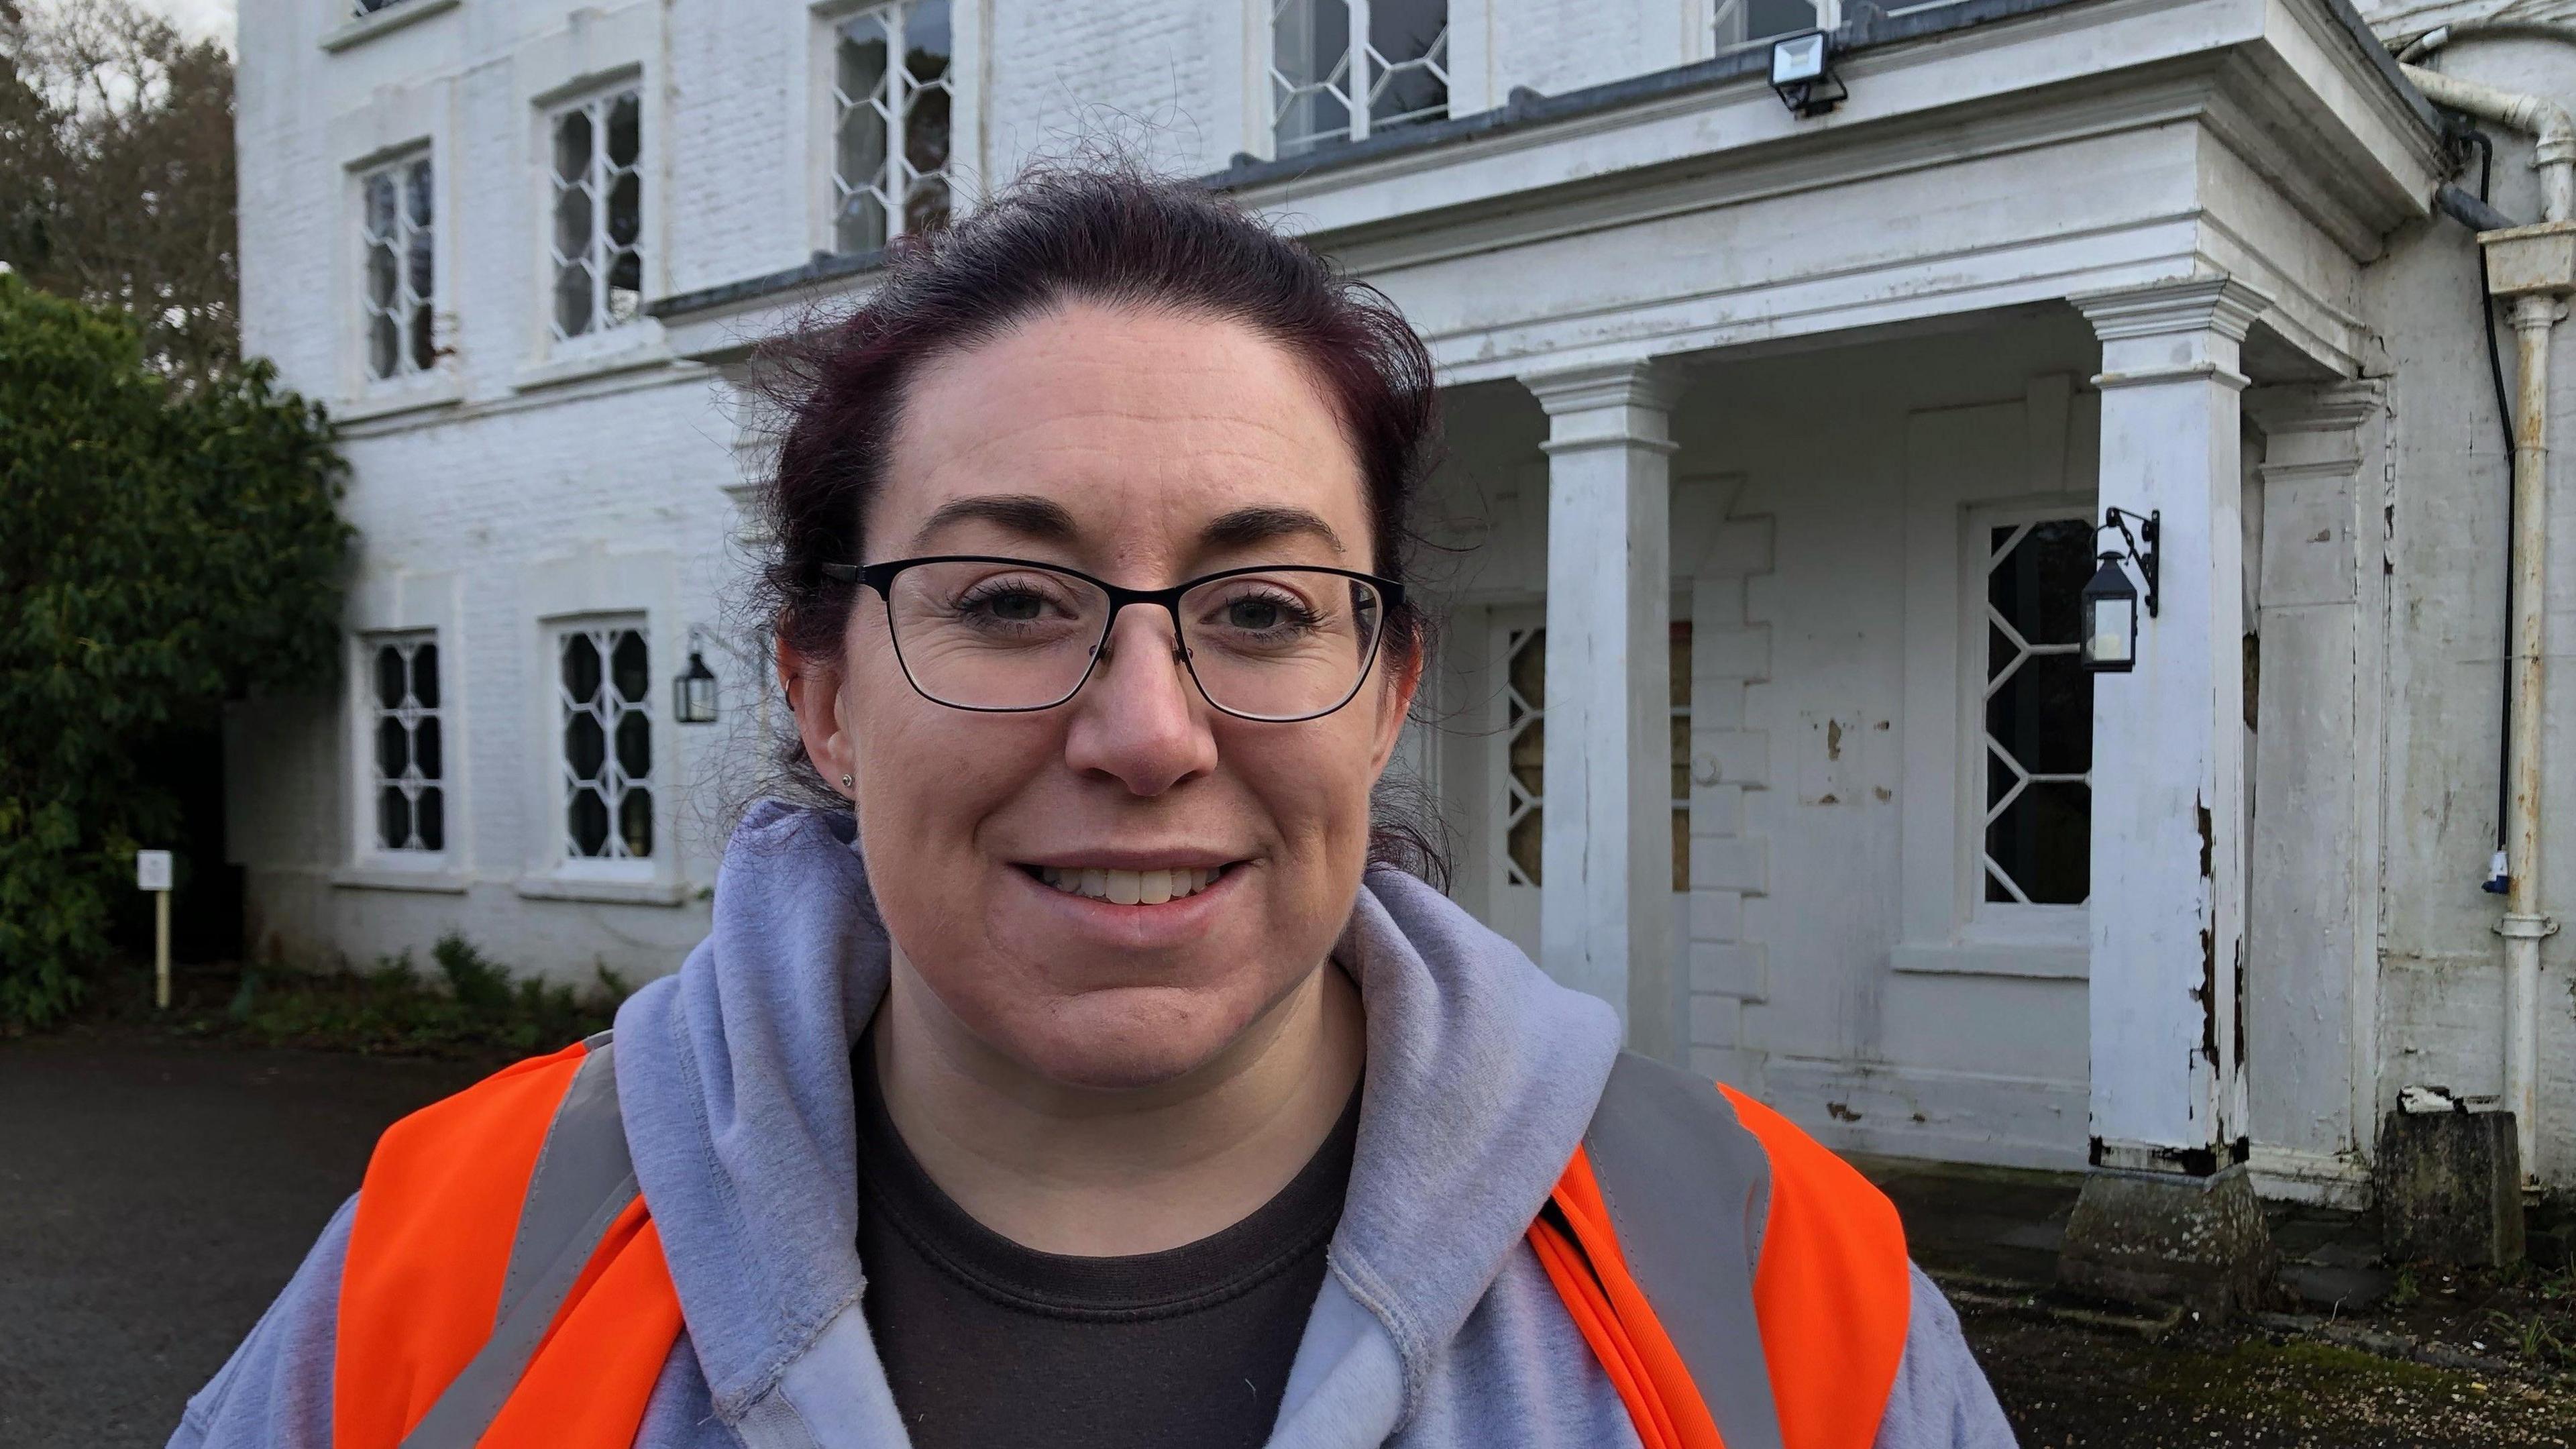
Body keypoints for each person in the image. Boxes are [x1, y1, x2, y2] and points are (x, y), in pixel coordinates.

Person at [173, 167, 2016, 1449]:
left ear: (1388, 698)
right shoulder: (454, 1277)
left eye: (1267, 611)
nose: (1148, 731)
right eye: (1006, 601)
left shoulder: (1779, 1301)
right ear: (822, 694)